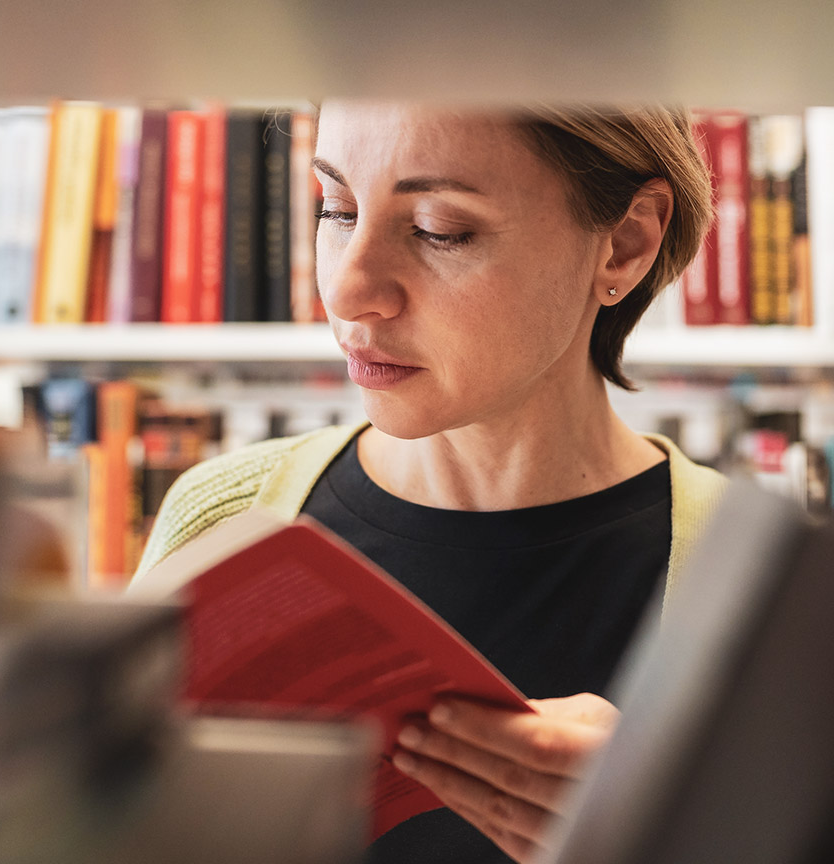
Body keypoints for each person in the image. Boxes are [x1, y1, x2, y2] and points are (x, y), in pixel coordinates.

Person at [131, 101, 728, 863]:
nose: (348, 290)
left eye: (440, 228)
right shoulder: (220, 519)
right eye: (337, 209)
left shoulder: (756, 578)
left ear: (625, 243)